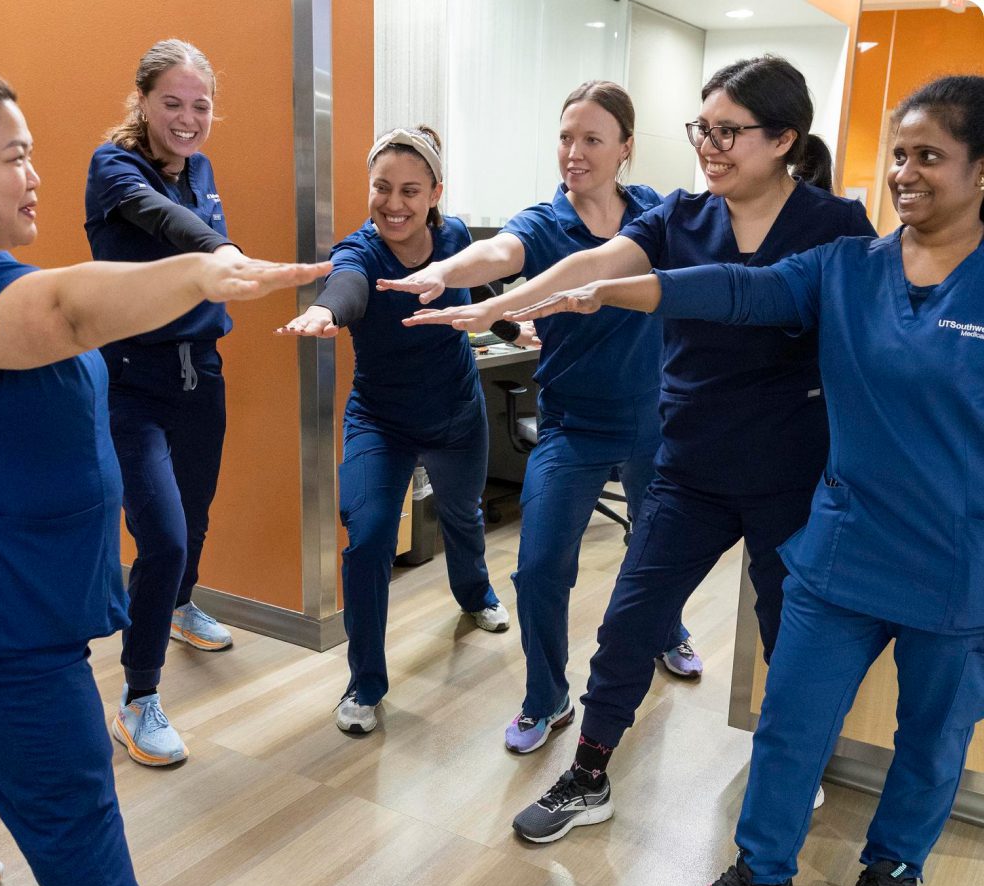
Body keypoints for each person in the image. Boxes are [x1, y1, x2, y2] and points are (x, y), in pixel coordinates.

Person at [516, 74, 984, 886]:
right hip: (842, 546)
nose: (905, 173)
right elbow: (734, 290)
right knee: (789, 724)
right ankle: (762, 876)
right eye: (899, 155)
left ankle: (893, 872)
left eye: (929, 156)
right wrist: (599, 291)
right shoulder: (850, 265)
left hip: (956, 564)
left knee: (931, 740)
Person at [0, 54, 328, 886]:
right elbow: (67, 311)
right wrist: (203, 269)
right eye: (13, 157)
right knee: (72, 805)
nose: (35, 175)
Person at [406, 56, 876, 839]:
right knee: (628, 624)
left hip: (786, 474)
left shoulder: (835, 228)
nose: (710, 146)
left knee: (791, 632)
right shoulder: (679, 218)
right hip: (687, 470)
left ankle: (790, 761)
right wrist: (490, 302)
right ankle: (589, 775)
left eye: (729, 131)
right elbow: (592, 264)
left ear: (785, 138)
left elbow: (865, 342)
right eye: (704, 129)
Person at [377, 82, 701, 757]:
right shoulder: (544, 222)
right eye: (565, 137)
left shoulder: (656, 214)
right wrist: (446, 270)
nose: (573, 153)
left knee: (659, 549)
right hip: (571, 426)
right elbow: (500, 256)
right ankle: (546, 695)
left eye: (590, 139)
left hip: (653, 421)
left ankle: (668, 630)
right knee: (540, 566)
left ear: (625, 149)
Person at [278, 126, 511, 735]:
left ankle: (476, 593)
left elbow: (479, 285)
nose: (394, 203)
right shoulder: (361, 251)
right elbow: (348, 287)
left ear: (435, 192)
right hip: (380, 421)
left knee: (462, 515)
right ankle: (365, 681)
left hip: (457, 413)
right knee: (371, 535)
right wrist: (326, 309)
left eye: (410, 190)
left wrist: (512, 329)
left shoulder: (455, 235)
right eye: (382, 188)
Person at [85, 40, 241, 766]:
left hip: (199, 376)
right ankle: (138, 696)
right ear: (143, 101)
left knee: (197, 514)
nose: (187, 119)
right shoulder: (113, 168)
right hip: (131, 380)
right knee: (165, 536)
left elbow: (204, 244)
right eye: (172, 104)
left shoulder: (203, 170)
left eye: (200, 106)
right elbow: (162, 220)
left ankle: (180, 608)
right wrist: (224, 253)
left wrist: (226, 261)